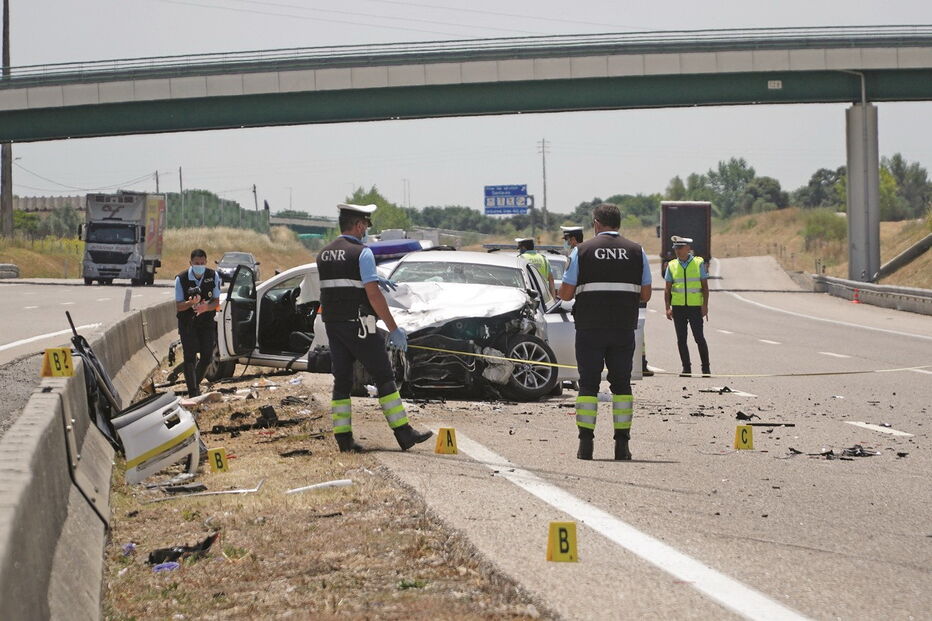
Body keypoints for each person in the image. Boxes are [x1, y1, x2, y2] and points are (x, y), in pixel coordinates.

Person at [317, 203, 433, 453]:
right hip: (360, 326)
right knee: (384, 376)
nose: (366, 231)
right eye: (365, 226)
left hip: (334, 326)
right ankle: (404, 433)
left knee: (342, 381)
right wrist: (393, 328)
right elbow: (373, 295)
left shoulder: (323, 253)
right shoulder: (362, 252)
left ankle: (343, 439)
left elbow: (340, 287)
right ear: (358, 225)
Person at [559, 203, 652, 461]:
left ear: (597, 223)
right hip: (623, 328)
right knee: (622, 385)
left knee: (588, 385)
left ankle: (585, 445)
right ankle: (622, 445)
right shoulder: (637, 251)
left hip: (590, 328)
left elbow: (566, 293)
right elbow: (645, 294)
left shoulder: (583, 251)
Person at [175, 249, 222, 397]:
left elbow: (216, 302)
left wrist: (205, 307)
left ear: (206, 262)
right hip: (187, 322)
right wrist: (190, 303)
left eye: (202, 263)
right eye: (196, 264)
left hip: (206, 322)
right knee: (189, 356)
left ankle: (196, 383)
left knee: (207, 356)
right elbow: (179, 305)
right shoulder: (181, 279)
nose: (200, 266)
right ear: (191, 263)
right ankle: (193, 392)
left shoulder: (213, 276)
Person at [664, 235, 711, 376]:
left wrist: (705, 305)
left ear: (688, 248)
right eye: (675, 248)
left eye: (680, 248)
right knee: (681, 339)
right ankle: (686, 368)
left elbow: (705, 287)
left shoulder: (698, 263)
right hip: (678, 308)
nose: (677, 251)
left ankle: (706, 368)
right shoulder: (672, 265)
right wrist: (667, 307)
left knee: (699, 338)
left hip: (695, 307)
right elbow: (667, 289)